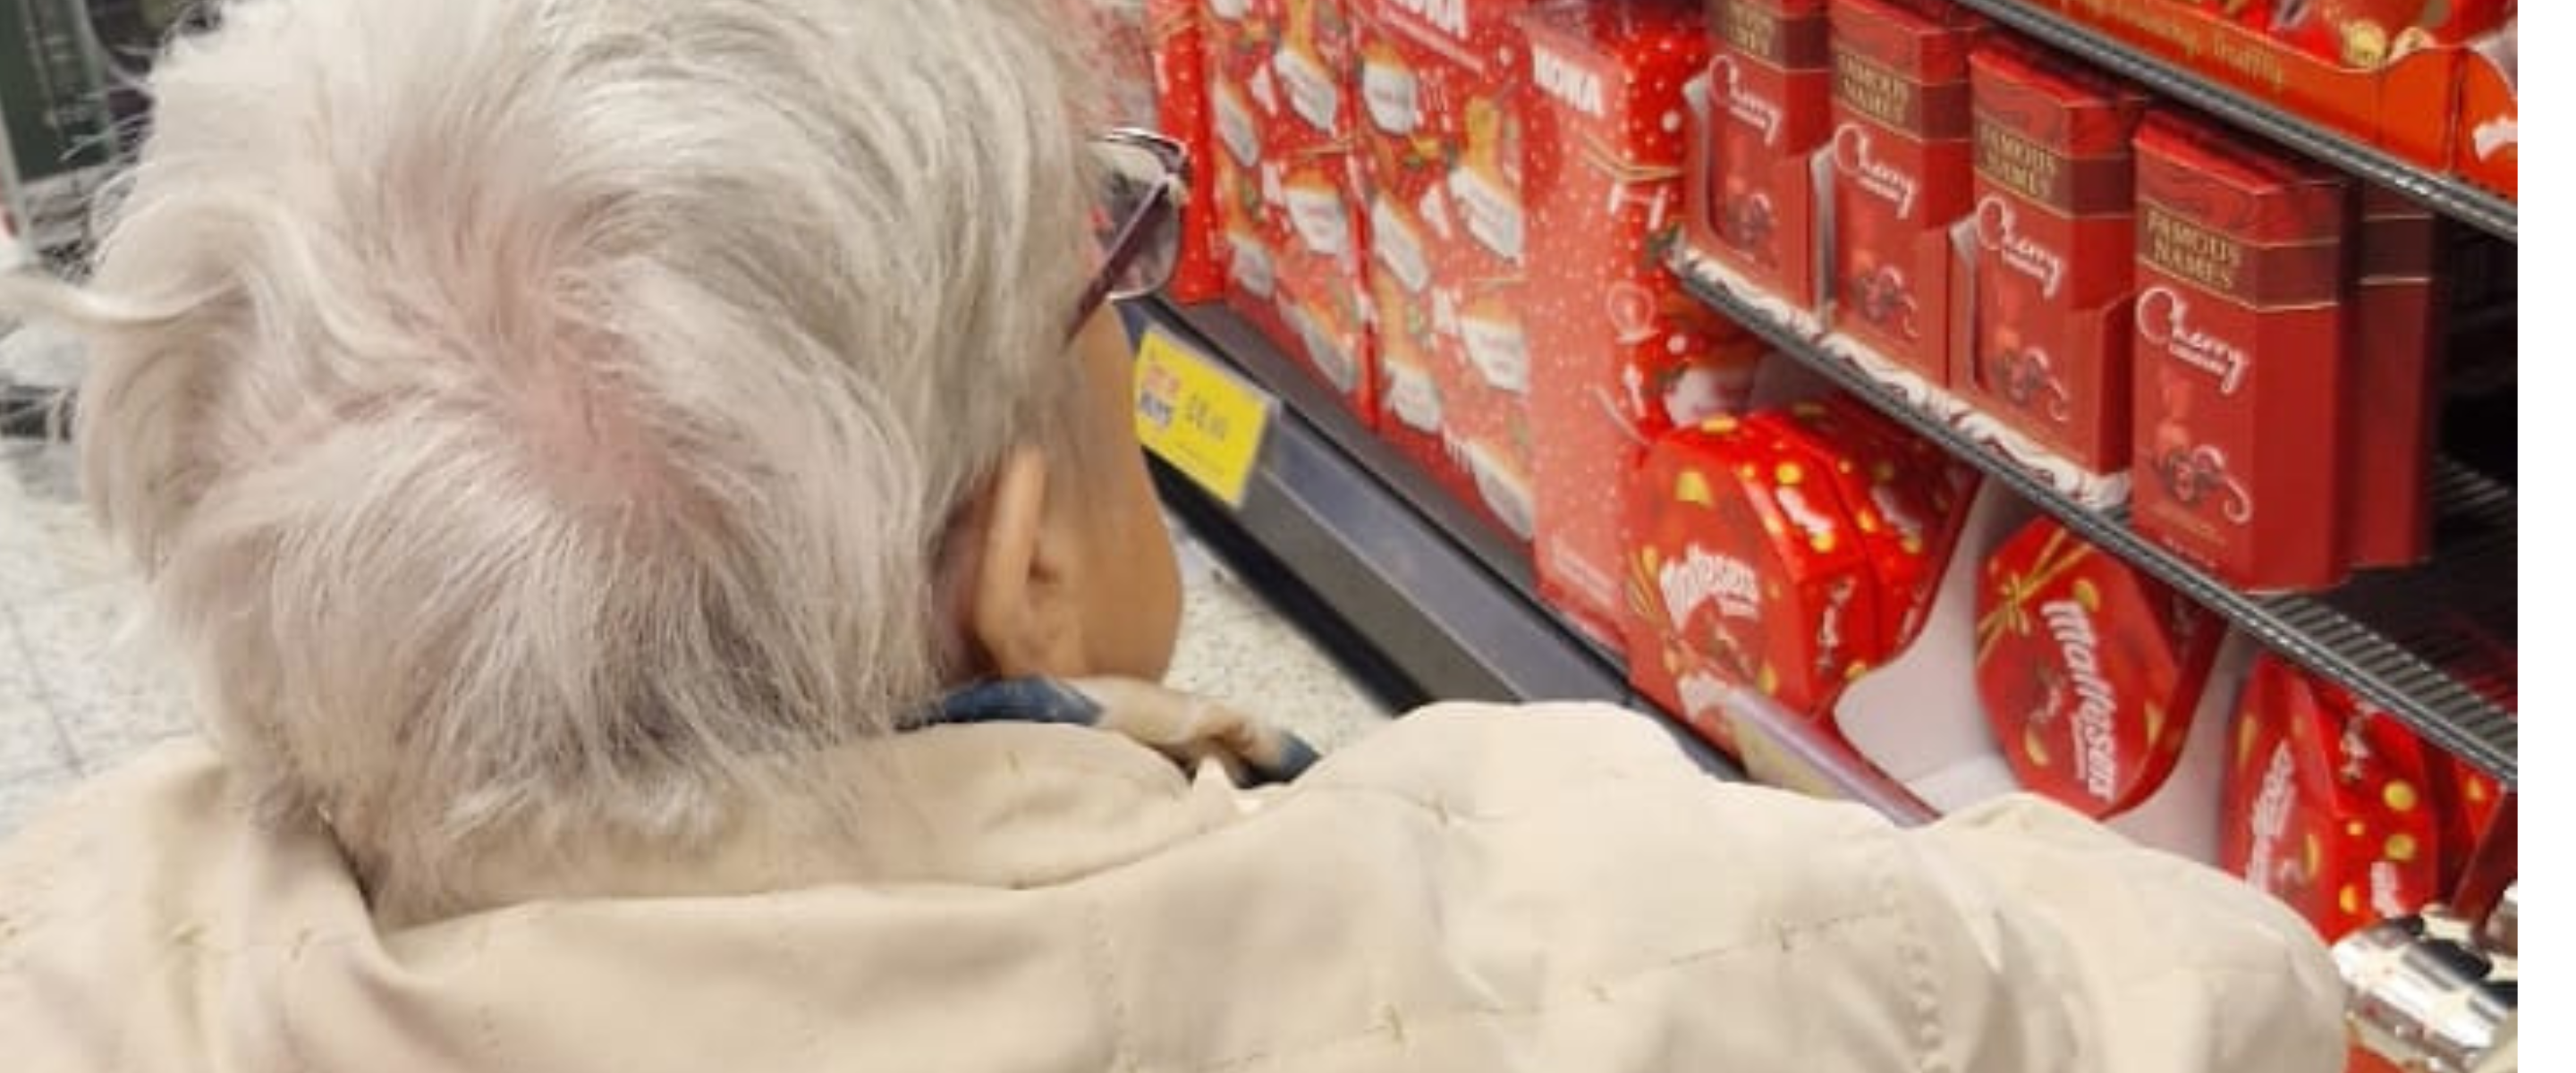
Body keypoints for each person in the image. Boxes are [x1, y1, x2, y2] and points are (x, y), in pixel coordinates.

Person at [0, 1, 2344, 1069]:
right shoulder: (1603, 931)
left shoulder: (76, 938)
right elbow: (2218, 995)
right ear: (1019, 553)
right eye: (1102, 270)